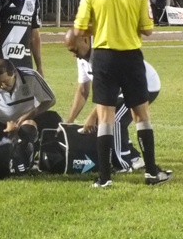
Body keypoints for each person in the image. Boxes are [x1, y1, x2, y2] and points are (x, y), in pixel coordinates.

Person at [69, 0, 172, 188]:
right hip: (130, 57)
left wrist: (102, 26)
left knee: (105, 117)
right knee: (141, 115)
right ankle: (151, 172)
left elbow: (79, 30)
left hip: (103, 57)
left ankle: (104, 178)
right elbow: (147, 30)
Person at [64, 30, 160, 173]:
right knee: (109, 119)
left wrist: (93, 116)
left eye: (75, 50)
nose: (74, 54)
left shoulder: (103, 52)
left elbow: (110, 93)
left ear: (85, 40)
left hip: (145, 84)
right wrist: (70, 120)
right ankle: (133, 157)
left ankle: (123, 165)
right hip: (123, 87)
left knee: (114, 119)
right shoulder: (82, 58)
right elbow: (83, 90)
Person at [0, 59, 61, 138]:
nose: (2, 86)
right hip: (3, 125)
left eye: (5, 81)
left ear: (14, 73)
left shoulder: (31, 76)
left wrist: (29, 115)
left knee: (52, 118)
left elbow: (50, 100)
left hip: (30, 120)